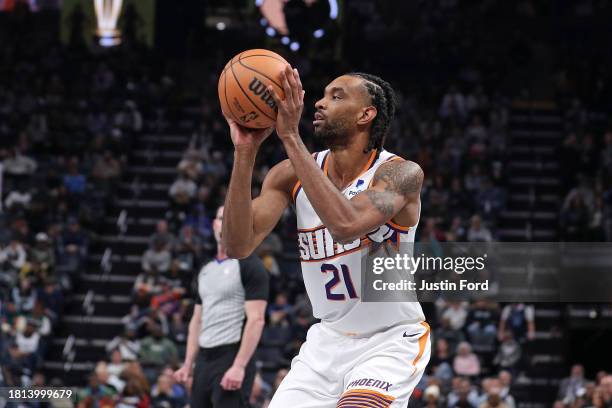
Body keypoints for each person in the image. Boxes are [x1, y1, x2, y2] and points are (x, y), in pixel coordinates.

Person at [222, 66, 430, 407]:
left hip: (390, 340)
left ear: (366, 114)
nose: (319, 103)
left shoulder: (400, 173)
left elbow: (346, 224)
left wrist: (289, 136)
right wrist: (244, 152)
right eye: (322, 95)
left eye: (337, 96)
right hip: (326, 341)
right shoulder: (287, 175)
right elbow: (236, 245)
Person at [173, 206, 269, 408]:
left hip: (231, 355)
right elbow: (197, 320)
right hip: (204, 360)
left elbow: (256, 319)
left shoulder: (251, 266)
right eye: (220, 218)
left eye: (232, 218)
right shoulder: (205, 269)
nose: (225, 224)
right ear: (213, 224)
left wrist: (239, 366)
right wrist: (188, 364)